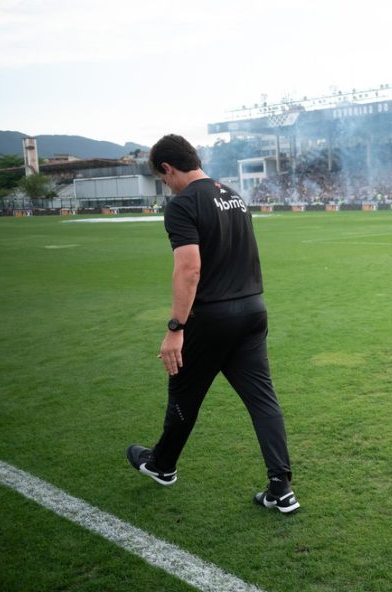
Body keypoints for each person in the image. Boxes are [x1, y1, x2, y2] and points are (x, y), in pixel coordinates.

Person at [127, 134, 299, 514]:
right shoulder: (233, 195)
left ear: (169, 169)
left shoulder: (183, 203)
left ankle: (162, 464)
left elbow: (189, 268)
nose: (165, 184)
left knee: (183, 392)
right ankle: (281, 488)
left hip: (213, 317)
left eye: (162, 177)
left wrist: (175, 328)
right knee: (262, 400)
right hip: (253, 310)